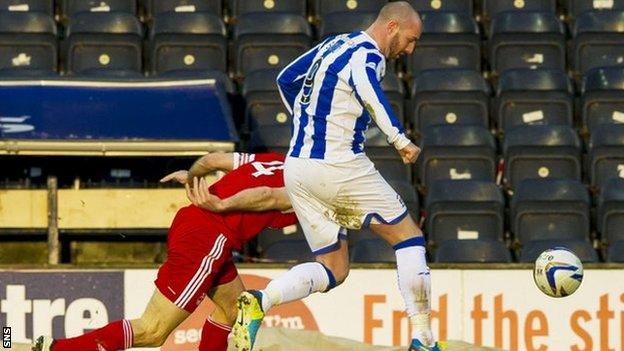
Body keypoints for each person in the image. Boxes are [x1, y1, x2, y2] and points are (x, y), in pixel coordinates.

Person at [232, 2, 442, 351]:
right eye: (409, 40)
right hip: (338, 165)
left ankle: (260, 300)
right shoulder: (368, 55)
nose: (409, 49)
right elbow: (368, 90)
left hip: (298, 168)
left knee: (333, 267)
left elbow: (285, 79)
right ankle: (423, 339)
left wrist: (308, 122)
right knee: (409, 238)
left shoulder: (335, 44)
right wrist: (400, 140)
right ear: (392, 26)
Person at [32, 152, 295, 351]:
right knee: (153, 330)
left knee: (234, 310)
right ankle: (55, 348)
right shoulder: (312, 187)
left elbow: (213, 159)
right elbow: (270, 198)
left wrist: (192, 177)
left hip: (195, 221)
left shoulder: (278, 159)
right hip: (209, 235)